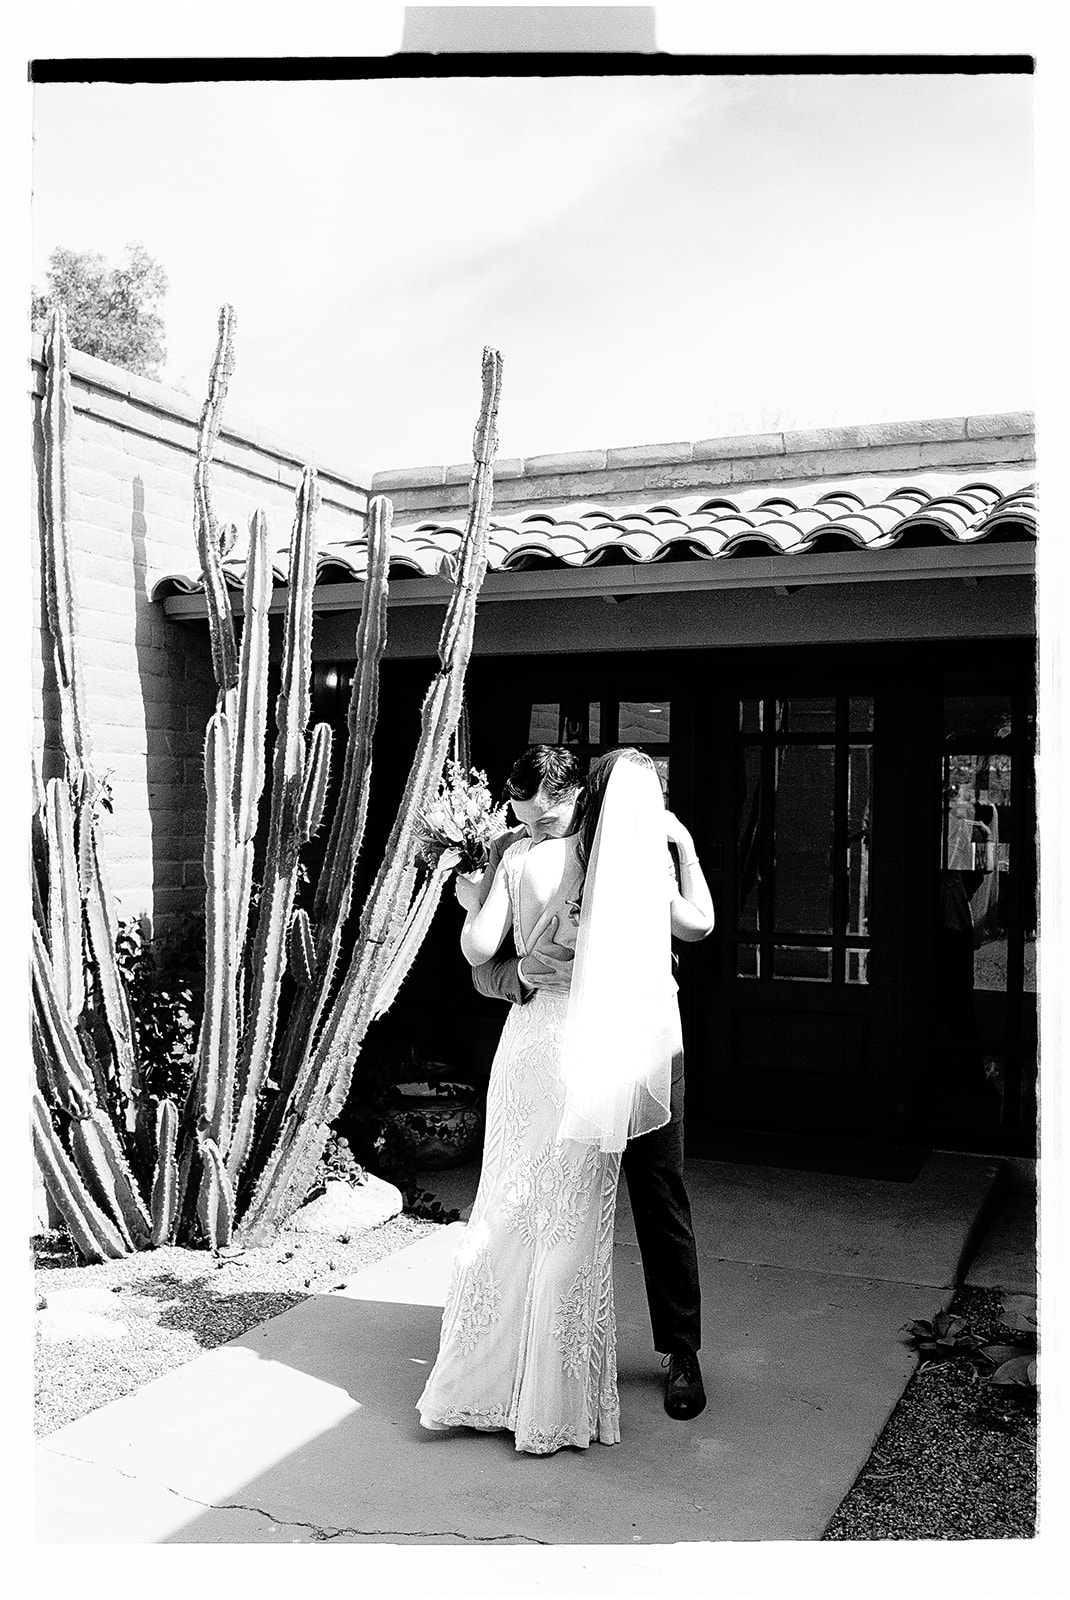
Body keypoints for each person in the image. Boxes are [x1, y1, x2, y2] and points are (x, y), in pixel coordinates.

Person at [416, 747, 714, 1455]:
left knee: (658, 1189)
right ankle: (532, 1357)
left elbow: (694, 924)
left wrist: (685, 849)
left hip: (646, 1046)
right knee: (552, 1204)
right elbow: (491, 967)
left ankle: (681, 1352)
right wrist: (518, 973)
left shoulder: (639, 854)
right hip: (575, 1047)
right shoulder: (530, 855)